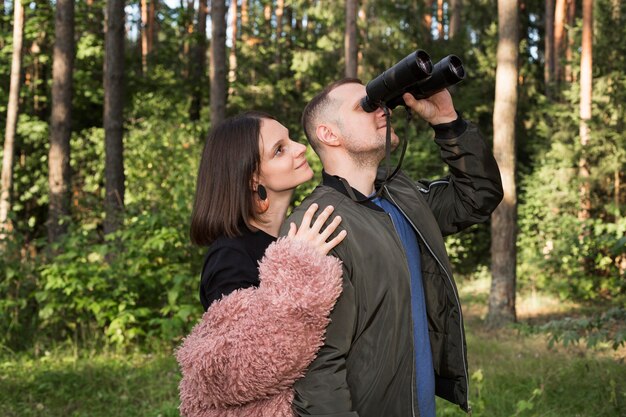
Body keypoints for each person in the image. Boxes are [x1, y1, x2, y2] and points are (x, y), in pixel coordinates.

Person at [280, 80, 504, 417]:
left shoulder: (401, 194)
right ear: (329, 134)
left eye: (380, 102)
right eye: (365, 105)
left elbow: (477, 197)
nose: (382, 109)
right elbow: (315, 370)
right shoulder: (316, 226)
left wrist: (447, 122)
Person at [176, 111, 348, 416]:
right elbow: (237, 365)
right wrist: (298, 266)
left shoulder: (290, 236)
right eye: (279, 150)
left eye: (291, 139)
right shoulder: (229, 256)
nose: (300, 148)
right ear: (253, 177)